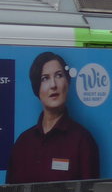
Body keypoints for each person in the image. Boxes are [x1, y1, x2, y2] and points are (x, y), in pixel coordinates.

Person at [5, 52, 100, 184]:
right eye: (45, 78)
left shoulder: (83, 140)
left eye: (59, 75)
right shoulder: (23, 142)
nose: (53, 85)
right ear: (37, 88)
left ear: (67, 82)